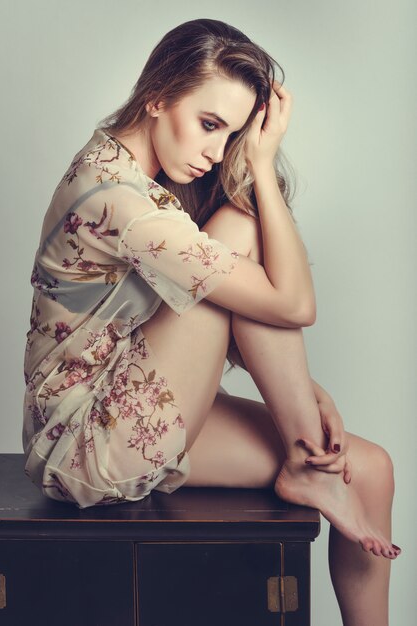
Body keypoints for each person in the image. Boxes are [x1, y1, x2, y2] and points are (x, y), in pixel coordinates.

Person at [23, 17, 400, 624]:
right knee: (242, 229)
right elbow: (293, 304)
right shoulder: (117, 200)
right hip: (83, 443)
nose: (215, 153)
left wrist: (309, 393)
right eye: (209, 125)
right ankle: (307, 468)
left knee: (371, 470)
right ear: (158, 96)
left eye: (232, 136)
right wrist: (266, 167)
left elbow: (223, 315)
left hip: (126, 403)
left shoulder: (139, 177)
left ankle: (315, 478)